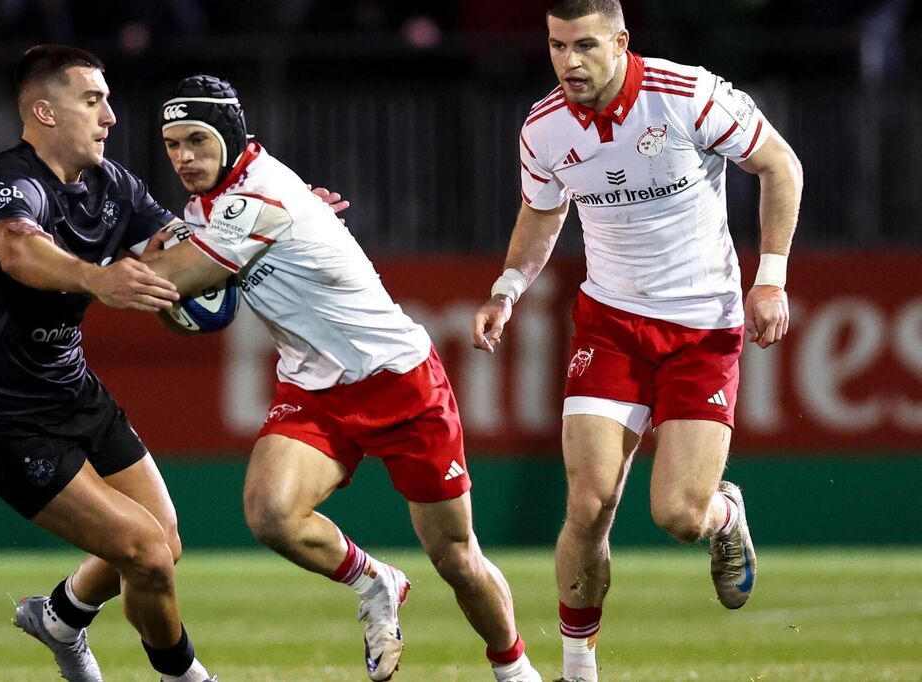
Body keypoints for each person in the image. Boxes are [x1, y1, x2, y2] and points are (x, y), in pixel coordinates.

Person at [141, 74, 544, 682]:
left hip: (398, 381)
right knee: (270, 514)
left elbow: (174, 282)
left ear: (227, 134)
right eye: (172, 144)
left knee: (457, 558)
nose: (183, 157)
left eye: (195, 140)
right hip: (313, 387)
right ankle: (376, 581)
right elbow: (186, 312)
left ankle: (515, 670)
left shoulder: (257, 197)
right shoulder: (218, 199)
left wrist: (111, 269)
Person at [470, 2, 803, 681]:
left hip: (702, 328)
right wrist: (506, 288)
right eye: (558, 46)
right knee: (588, 504)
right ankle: (577, 670)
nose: (569, 62)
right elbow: (541, 214)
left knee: (679, 515)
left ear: (621, 42)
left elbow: (780, 166)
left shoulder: (687, 95)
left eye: (585, 46)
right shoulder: (543, 126)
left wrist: (770, 279)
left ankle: (723, 511)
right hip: (611, 325)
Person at [0, 44, 217, 682]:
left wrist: (273, 220)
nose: (111, 116)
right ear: (44, 110)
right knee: (146, 552)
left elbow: (175, 242)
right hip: (3, 421)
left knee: (163, 545)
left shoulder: (111, 185)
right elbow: (17, 250)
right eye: (92, 100)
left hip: (72, 393)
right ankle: (187, 678)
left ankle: (61, 616)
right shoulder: (9, 185)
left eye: (108, 100)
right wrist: (96, 279)